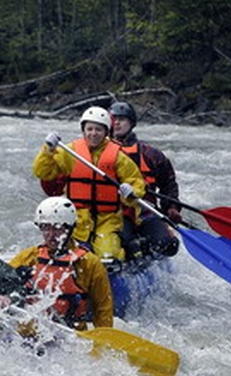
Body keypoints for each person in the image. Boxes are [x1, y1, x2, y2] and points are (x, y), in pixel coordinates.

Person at [32, 107, 146, 262]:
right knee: (70, 253)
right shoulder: (70, 151)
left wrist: (131, 191)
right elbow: (43, 172)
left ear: (106, 132)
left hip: (108, 219)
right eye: (89, 129)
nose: (93, 133)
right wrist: (48, 150)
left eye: (98, 129)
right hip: (77, 218)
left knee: (109, 255)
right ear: (83, 130)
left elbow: (136, 182)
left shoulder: (118, 156)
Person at [8, 197, 114, 330]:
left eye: (57, 228)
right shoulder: (29, 257)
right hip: (31, 333)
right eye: (46, 228)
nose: (51, 235)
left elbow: (103, 308)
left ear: (69, 228)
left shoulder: (89, 263)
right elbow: (2, 280)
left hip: (71, 335)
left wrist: (102, 342)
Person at [109, 101, 180, 260]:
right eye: (114, 119)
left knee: (169, 245)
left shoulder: (151, 155)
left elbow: (168, 183)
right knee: (128, 245)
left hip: (147, 212)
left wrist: (171, 208)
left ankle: (148, 254)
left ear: (131, 123)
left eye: (122, 119)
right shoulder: (99, 154)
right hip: (115, 214)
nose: (117, 123)